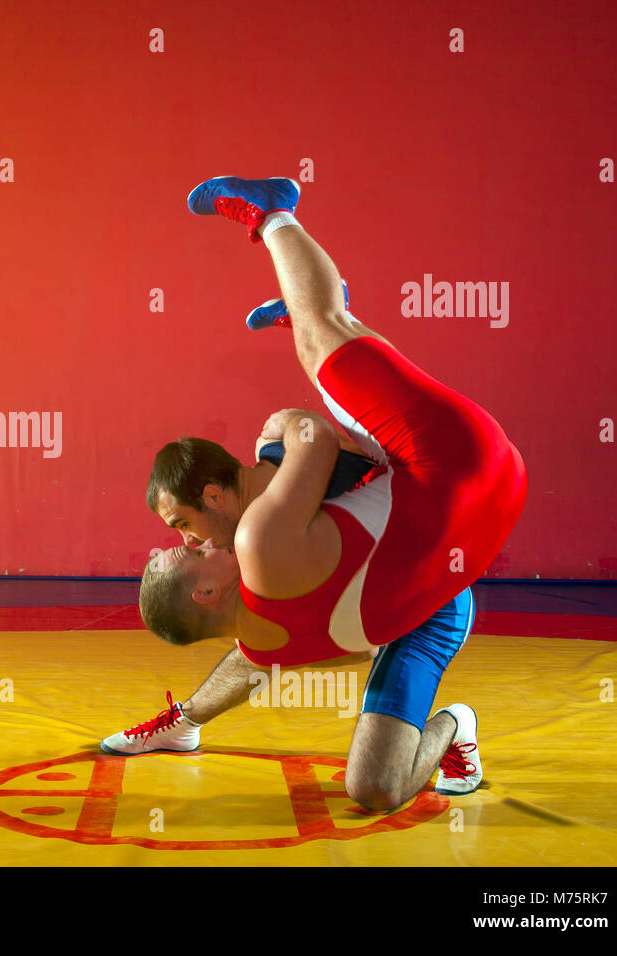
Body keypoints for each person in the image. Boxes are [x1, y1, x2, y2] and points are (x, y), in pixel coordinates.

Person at [101, 177, 527, 811]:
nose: (186, 539)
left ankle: (272, 212)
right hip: (454, 492)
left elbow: (317, 433)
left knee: (317, 334)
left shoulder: (259, 542)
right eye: (180, 544)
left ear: (217, 496)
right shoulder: (255, 603)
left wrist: (278, 437)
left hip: (463, 495)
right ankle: (315, 307)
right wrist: (281, 432)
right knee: (326, 345)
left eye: (183, 532)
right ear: (208, 588)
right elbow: (318, 437)